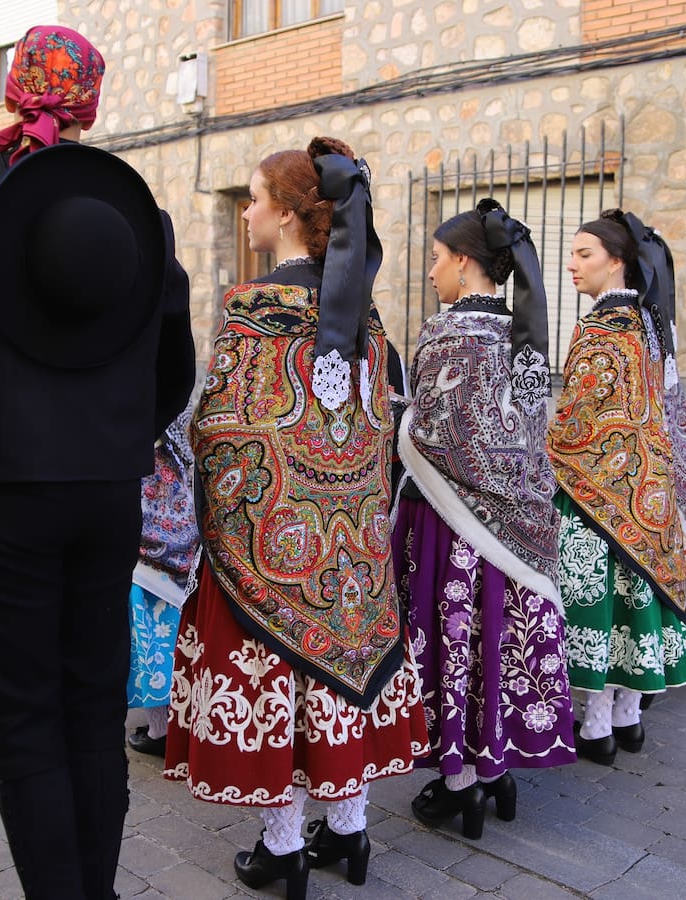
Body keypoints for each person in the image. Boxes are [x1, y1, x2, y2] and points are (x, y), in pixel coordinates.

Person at [0, 25, 194, 900]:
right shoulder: (141, 218)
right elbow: (174, 370)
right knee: (92, 702)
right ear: (90, 102)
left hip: (0, 497)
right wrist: (115, 446)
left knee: (22, 711)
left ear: (15, 88)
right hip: (107, 496)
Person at [164, 138, 428, 900]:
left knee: (281, 683)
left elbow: (223, 427)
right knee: (338, 679)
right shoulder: (366, 318)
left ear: (285, 215)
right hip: (353, 552)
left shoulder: (253, 309)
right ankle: (348, 831)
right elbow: (380, 426)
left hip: (269, 544)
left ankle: (282, 848)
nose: (246, 213)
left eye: (252, 200)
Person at [392, 199, 575, 839]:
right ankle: (496, 768)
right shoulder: (522, 335)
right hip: (517, 524)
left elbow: (431, 433)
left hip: (447, 523)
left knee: (452, 642)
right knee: (494, 639)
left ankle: (459, 781)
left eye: (437, 259)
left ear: (466, 263)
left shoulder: (447, 332)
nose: (432, 272)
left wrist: (397, 421)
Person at [547, 210, 686, 767]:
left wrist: (548, 455)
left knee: (597, 600)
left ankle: (594, 725)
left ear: (616, 262)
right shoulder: (651, 324)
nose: (572, 264)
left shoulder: (600, 328)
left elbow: (578, 421)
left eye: (584, 254)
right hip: (649, 492)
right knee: (635, 594)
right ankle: (626, 716)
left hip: (595, 490)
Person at [124, 405, 200, 758]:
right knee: (172, 633)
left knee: (151, 638)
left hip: (147, 542)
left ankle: (162, 729)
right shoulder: (177, 417)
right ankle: (177, 722)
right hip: (181, 530)